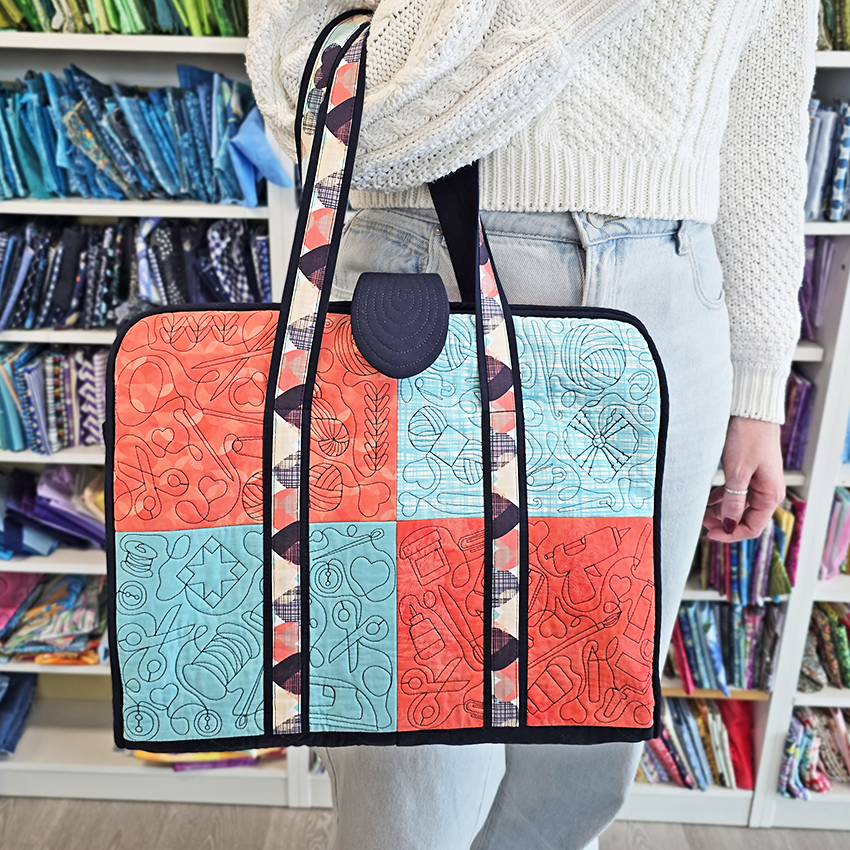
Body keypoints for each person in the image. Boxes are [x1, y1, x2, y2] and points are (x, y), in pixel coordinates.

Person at [246, 1, 818, 847]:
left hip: (672, 301)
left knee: (576, 769)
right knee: (408, 782)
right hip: (419, 284)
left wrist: (759, 381)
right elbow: (318, 105)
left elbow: (765, 124)